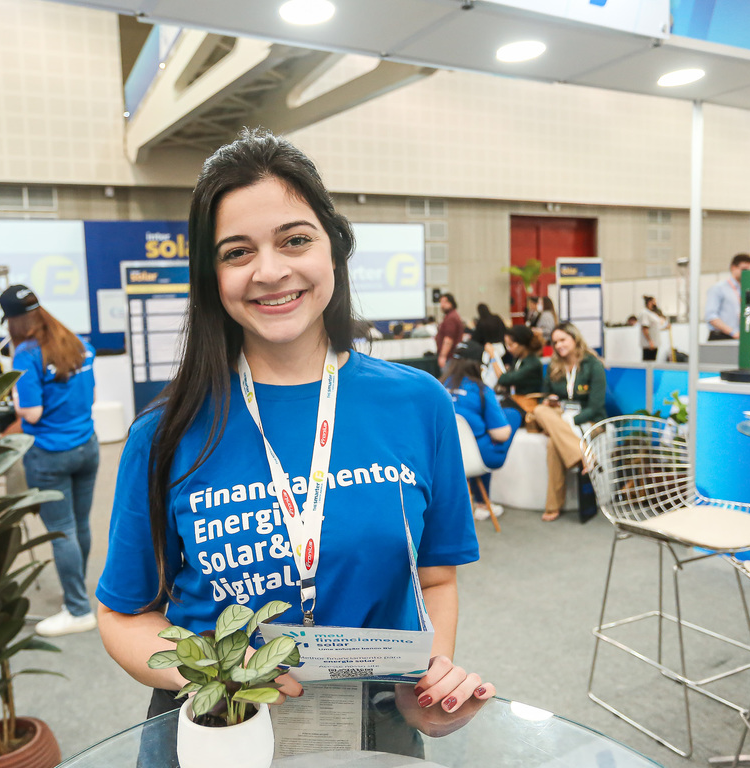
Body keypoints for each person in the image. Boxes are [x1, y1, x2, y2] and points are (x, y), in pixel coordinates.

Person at [96, 130, 493, 723]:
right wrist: (218, 674)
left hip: (373, 727)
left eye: (295, 240)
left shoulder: (419, 403)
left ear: (334, 248)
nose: (270, 270)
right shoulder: (165, 431)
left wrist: (431, 684)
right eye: (237, 252)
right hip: (219, 733)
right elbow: (123, 614)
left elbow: (434, 581)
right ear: (211, 276)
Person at [2, 284, 100, 637]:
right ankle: (77, 593)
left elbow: (32, 412)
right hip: (87, 446)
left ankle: (78, 609)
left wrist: (14, 399)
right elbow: (91, 395)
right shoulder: (77, 343)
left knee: (62, 531)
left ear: (13, 321)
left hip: (50, 453)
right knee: (80, 525)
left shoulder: (26, 354)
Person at [530, 323, 606, 522]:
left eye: (563, 340)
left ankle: (553, 505)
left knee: (553, 443)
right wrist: (548, 400)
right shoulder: (554, 366)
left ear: (575, 338)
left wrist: (568, 420)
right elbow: (544, 396)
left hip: (589, 419)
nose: (558, 345)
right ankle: (584, 454)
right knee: (539, 410)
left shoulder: (593, 365)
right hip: (561, 416)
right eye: (555, 342)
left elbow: (596, 406)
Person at [442, 340, 519, 521]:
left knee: (480, 437)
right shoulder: (481, 390)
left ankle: (478, 501)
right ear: (478, 365)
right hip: (477, 458)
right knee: (512, 416)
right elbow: (501, 434)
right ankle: (483, 504)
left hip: (445, 458)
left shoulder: (438, 386)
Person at [704, 253, 750, 340]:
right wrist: (733, 333)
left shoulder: (746, 289)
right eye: (744, 269)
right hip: (722, 336)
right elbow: (711, 317)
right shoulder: (718, 288)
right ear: (733, 268)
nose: (747, 273)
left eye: (749, 270)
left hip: (740, 337)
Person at [496, 324, 544, 403]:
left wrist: (493, 357)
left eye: (511, 345)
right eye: (506, 345)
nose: (508, 349)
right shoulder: (518, 359)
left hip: (527, 402)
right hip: (515, 399)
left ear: (522, 343)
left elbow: (503, 379)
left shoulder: (533, 363)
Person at [435, 292, 463, 369]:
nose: (442, 305)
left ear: (451, 303)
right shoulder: (451, 316)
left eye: (444, 302)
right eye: (441, 302)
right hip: (451, 357)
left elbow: (448, 339)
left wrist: (443, 356)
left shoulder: (451, 318)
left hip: (450, 357)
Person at [639, 295, 667, 361]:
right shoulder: (645, 313)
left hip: (655, 343)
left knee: (653, 361)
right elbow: (645, 328)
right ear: (649, 302)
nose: (655, 303)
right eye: (653, 301)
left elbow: (657, 326)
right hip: (649, 345)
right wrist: (650, 341)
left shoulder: (653, 314)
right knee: (648, 362)